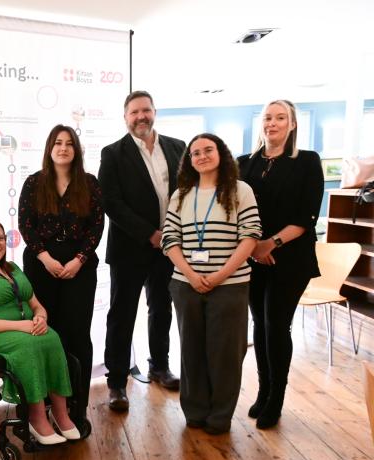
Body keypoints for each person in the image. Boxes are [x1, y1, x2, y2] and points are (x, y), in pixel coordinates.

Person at [0, 218, 80, 445]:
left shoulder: (13, 269)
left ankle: (61, 414)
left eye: (0, 238)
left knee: (52, 337)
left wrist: (40, 318)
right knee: (29, 345)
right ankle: (37, 418)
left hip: (25, 328)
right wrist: (21, 326)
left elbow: (36, 304)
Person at [162, 133, 261, 434]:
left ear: (221, 154)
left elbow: (250, 236)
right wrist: (192, 275)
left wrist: (220, 275)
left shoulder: (240, 190)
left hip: (230, 285)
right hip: (186, 284)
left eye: (208, 150)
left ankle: (220, 416)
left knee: (226, 354)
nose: (202, 156)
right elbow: (169, 240)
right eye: (195, 153)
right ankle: (195, 411)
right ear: (189, 160)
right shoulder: (181, 195)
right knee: (191, 351)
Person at [238, 99, 324, 429]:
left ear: (292, 124)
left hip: (290, 256)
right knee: (259, 323)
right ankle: (263, 391)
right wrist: (253, 248)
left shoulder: (307, 161)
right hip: (254, 256)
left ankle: (276, 398)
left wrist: (269, 244)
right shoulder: (245, 163)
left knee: (276, 323)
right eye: (267, 118)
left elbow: (306, 216)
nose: (272, 123)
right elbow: (236, 210)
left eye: (280, 118)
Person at [98, 90, 186, 411]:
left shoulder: (178, 147)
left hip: (169, 248)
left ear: (154, 112)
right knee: (122, 315)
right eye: (134, 112)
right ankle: (117, 383)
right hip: (129, 249)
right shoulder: (113, 153)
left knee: (162, 309)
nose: (141, 117)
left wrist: (171, 235)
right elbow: (111, 202)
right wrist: (150, 234)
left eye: (145, 110)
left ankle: (159, 367)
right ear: (125, 117)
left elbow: (187, 193)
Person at [18, 124, 104, 421]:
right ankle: (42, 406)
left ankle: (76, 407)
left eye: (69, 143)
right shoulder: (34, 183)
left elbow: (96, 227)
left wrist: (79, 260)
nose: (63, 148)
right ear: (49, 148)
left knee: (77, 334)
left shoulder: (90, 184)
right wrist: (45, 258)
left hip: (79, 269)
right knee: (45, 332)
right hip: (41, 266)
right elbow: (25, 225)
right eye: (58, 143)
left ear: (76, 150)